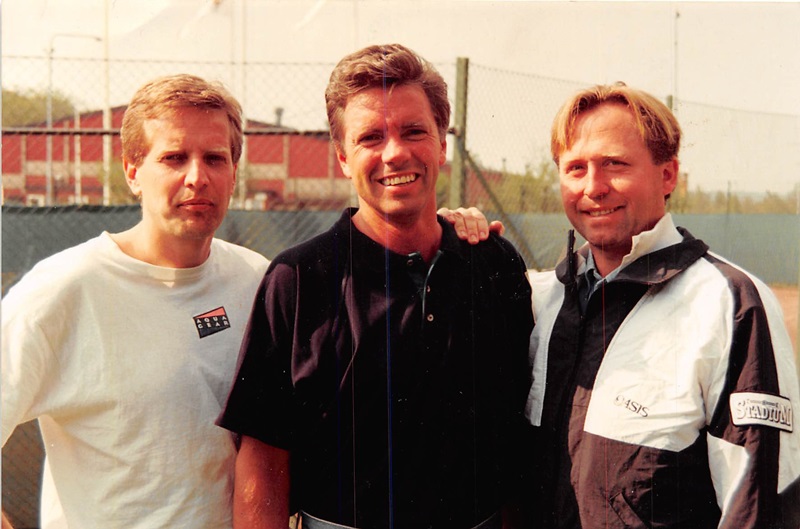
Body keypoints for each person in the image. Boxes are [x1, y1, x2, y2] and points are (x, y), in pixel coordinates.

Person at [217, 43, 534, 529]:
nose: (395, 152)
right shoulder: (298, 280)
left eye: (414, 131)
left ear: (442, 143)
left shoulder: (494, 263)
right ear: (343, 157)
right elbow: (263, 458)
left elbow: (518, 432)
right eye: (371, 137)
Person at [515, 82, 800, 528]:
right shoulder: (544, 298)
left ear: (668, 176)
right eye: (575, 168)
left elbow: (760, 504)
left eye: (614, 164)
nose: (593, 187)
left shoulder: (730, 302)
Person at [1, 74, 270, 529]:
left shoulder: (257, 280)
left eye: (214, 158)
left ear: (234, 173)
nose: (197, 177)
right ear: (132, 172)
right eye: (174, 158)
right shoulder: (63, 288)